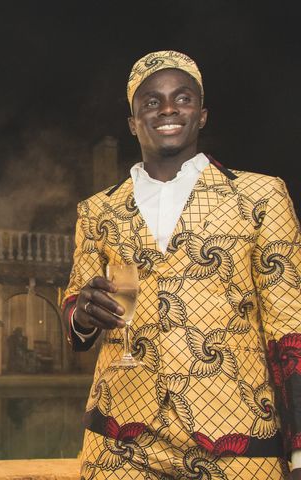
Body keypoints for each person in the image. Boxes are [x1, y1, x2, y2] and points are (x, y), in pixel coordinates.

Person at [63, 50, 301, 479]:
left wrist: (300, 447)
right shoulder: (97, 210)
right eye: (151, 101)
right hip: (119, 441)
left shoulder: (261, 196)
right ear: (134, 123)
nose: (168, 108)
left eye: (182, 98)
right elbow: (75, 320)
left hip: (238, 436)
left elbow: (290, 328)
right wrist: (82, 314)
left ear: (202, 115)